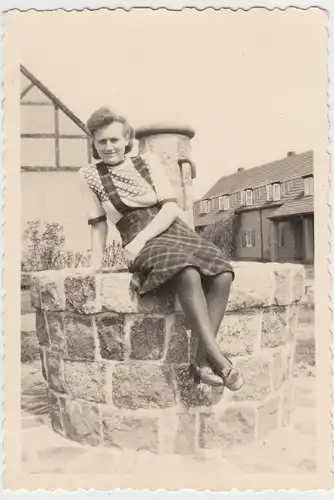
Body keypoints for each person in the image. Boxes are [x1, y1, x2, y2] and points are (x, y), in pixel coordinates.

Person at [78, 107, 244, 391]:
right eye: (102, 141)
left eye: (115, 140)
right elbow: (98, 225)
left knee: (223, 272)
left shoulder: (147, 162)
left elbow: (170, 208)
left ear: (127, 139)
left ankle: (202, 362)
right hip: (135, 237)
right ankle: (217, 359)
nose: (109, 147)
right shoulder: (89, 175)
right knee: (187, 271)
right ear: (93, 143)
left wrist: (142, 241)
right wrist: (96, 263)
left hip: (172, 230)